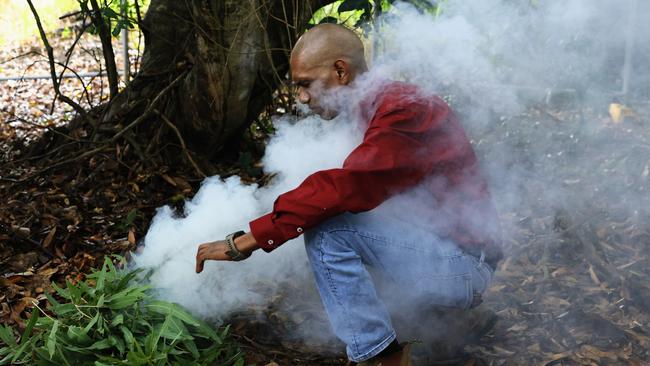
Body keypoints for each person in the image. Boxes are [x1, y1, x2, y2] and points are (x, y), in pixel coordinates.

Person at [195, 23, 502, 366]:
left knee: (329, 232)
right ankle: (432, 331)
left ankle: (379, 357)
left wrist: (247, 240)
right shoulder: (375, 105)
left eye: (305, 84)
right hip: (441, 252)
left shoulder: (401, 109)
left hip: (462, 267)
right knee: (328, 221)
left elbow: (348, 186)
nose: (301, 98)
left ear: (340, 70)